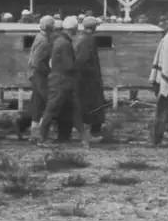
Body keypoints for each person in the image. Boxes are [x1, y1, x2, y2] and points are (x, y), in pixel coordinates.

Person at [38, 16, 91, 147]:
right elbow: (68, 66)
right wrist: (80, 63)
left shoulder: (58, 40)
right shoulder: (65, 43)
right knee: (62, 110)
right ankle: (42, 138)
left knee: (59, 109)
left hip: (58, 81)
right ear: (73, 30)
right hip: (63, 82)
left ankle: (84, 139)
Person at [17, 15, 55, 140]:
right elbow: (37, 62)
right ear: (50, 27)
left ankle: (24, 125)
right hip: (38, 74)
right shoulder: (44, 41)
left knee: (37, 102)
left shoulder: (40, 37)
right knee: (44, 100)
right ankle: (35, 129)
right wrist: (48, 70)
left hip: (35, 74)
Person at [74, 17, 106, 142]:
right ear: (93, 27)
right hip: (89, 79)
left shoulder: (80, 37)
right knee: (94, 105)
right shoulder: (89, 39)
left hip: (83, 78)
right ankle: (92, 133)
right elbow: (85, 60)